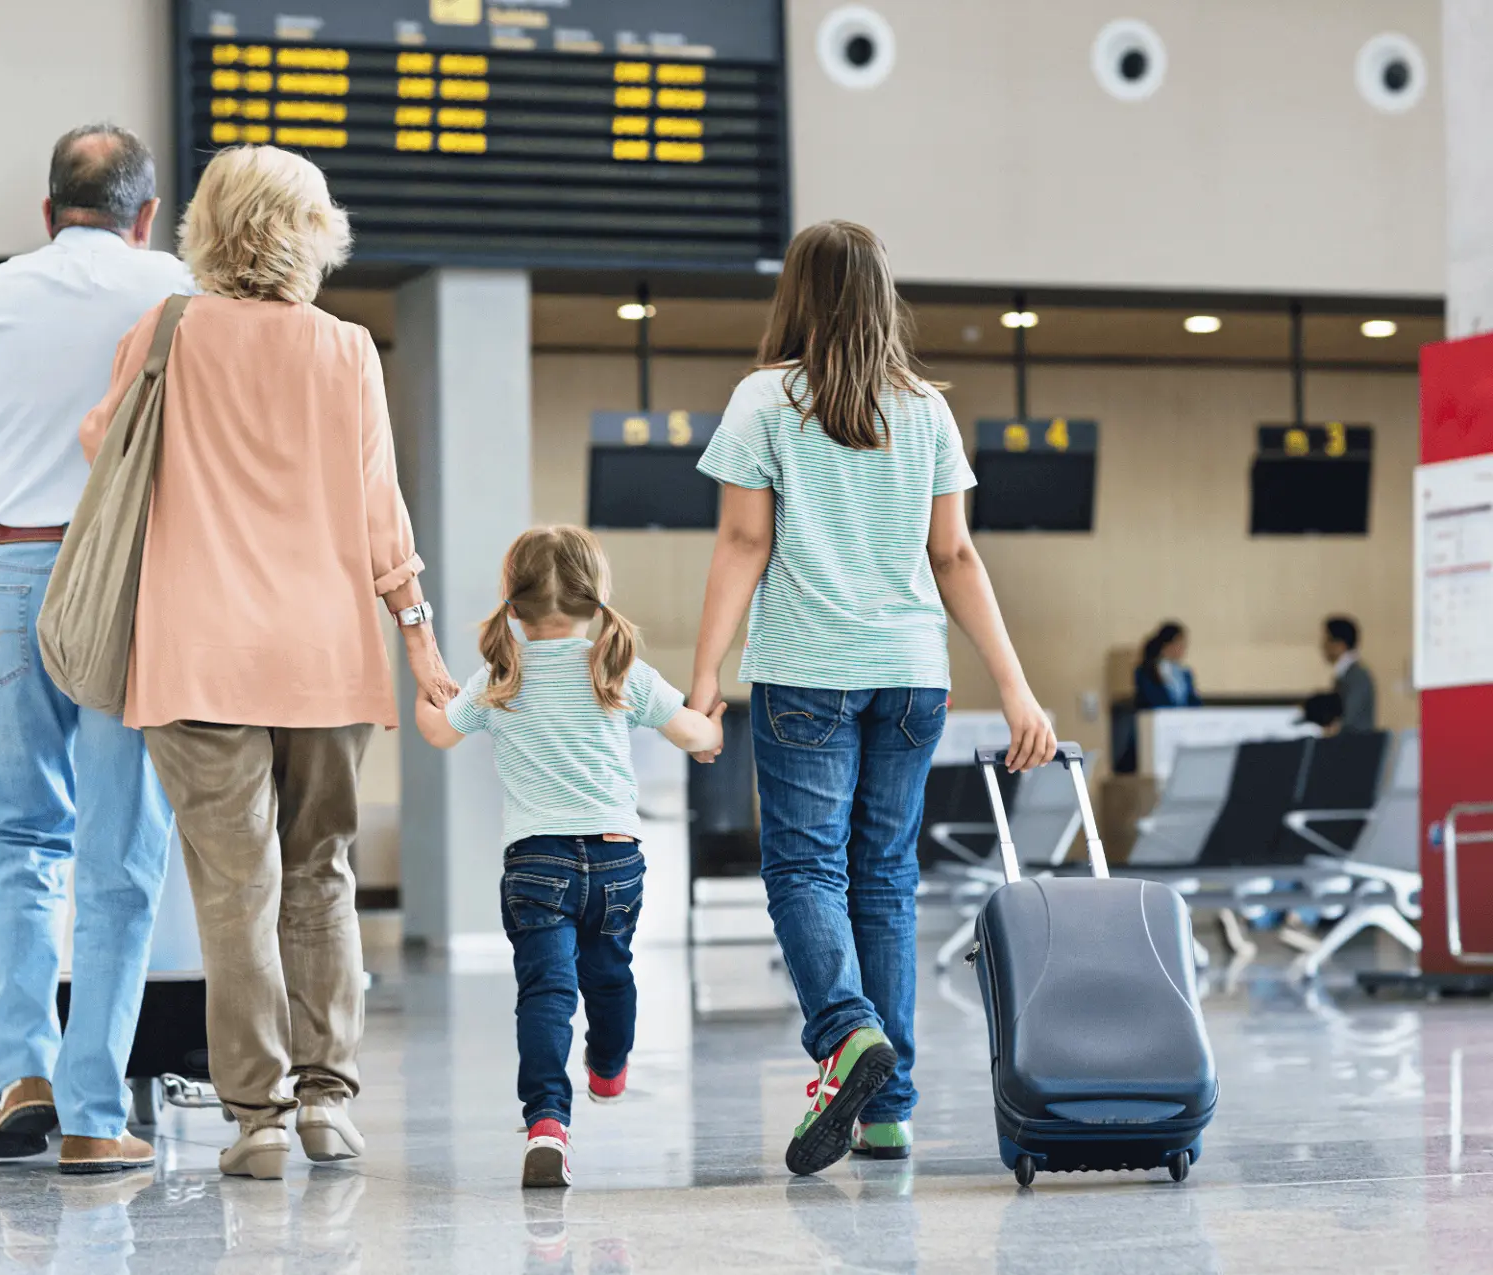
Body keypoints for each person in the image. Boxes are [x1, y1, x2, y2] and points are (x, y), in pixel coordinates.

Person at [78, 144, 458, 1182]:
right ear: (311, 233)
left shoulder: (164, 334)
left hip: (196, 657)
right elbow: (384, 515)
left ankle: (256, 1122)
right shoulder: (347, 352)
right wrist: (421, 644)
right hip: (325, 655)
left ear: (207, 226)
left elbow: (99, 449)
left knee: (233, 893)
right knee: (322, 875)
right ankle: (330, 1101)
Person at [687, 220, 1055, 1176]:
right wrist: (1016, 691)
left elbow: (741, 544)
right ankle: (887, 1111)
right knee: (886, 879)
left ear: (796, 296)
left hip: (807, 669)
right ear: (884, 300)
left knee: (806, 870)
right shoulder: (924, 408)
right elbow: (956, 556)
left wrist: (703, 681)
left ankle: (849, 1034)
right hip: (910, 675)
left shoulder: (766, 398)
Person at [0, 123, 188, 1175]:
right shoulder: (178, 291)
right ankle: (90, 1112)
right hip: (130, 578)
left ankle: (17, 1068)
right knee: (121, 853)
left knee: (23, 834)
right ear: (145, 213)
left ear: (46, 210)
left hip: (14, 575)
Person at [414, 527, 724, 1189]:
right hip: (615, 861)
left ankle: (548, 1123)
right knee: (610, 976)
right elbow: (695, 731)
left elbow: (440, 731)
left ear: (513, 601)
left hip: (536, 864)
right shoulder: (616, 668)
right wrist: (713, 729)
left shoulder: (503, 673)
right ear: (595, 596)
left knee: (545, 994)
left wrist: (423, 697)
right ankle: (608, 1067)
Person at [1321, 615, 1377, 732]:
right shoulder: (1345, 674)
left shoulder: (1357, 676)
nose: (1323, 646)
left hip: (1355, 745)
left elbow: (1348, 718)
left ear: (1340, 645)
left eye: (1327, 640)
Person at [1134, 622, 1202, 709]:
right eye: (1179, 644)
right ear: (1167, 644)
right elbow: (1151, 699)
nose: (1183, 648)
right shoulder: (1146, 672)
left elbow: (1192, 701)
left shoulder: (1185, 674)